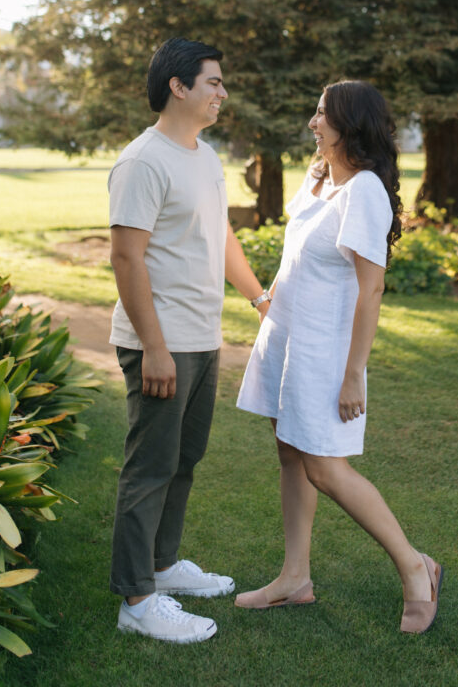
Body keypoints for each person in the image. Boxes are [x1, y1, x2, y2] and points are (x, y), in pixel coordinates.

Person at [235, 80, 443, 634]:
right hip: (286, 339)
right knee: (289, 453)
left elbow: (370, 288)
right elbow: (295, 249)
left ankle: (416, 568)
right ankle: (294, 579)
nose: (312, 123)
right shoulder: (322, 177)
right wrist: (268, 303)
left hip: (326, 352)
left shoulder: (366, 192)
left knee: (325, 468)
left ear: (350, 124)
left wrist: (354, 374)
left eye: (322, 114)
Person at [108, 36, 272, 644]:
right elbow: (127, 258)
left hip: (203, 336)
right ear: (178, 86)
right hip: (162, 340)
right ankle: (135, 600)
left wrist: (257, 297)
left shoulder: (203, 157)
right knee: (149, 467)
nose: (223, 93)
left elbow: (220, 233)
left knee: (184, 460)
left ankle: (161, 564)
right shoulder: (142, 161)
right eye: (214, 83)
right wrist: (152, 346)